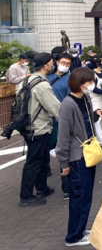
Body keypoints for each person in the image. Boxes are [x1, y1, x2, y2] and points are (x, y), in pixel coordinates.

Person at [56, 68, 102, 246]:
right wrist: (64, 163)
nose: (92, 84)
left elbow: (85, 121)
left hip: (87, 153)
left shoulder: (84, 98)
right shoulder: (68, 104)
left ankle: (80, 229)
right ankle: (73, 236)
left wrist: (96, 113)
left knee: (86, 194)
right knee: (79, 195)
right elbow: (63, 137)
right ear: (80, 83)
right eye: (89, 81)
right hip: (77, 157)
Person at [19, 53, 62, 207]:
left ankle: (42, 188)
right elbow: (55, 107)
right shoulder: (42, 85)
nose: (53, 65)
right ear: (45, 65)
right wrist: (67, 120)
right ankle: (26, 196)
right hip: (39, 128)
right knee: (34, 162)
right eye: (52, 62)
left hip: (28, 126)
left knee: (42, 159)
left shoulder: (28, 79)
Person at [47, 52, 73, 199]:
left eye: (68, 64)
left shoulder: (70, 79)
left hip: (61, 120)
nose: (65, 66)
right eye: (63, 62)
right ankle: (42, 184)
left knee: (63, 153)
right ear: (56, 62)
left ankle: (66, 189)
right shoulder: (46, 77)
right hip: (45, 121)